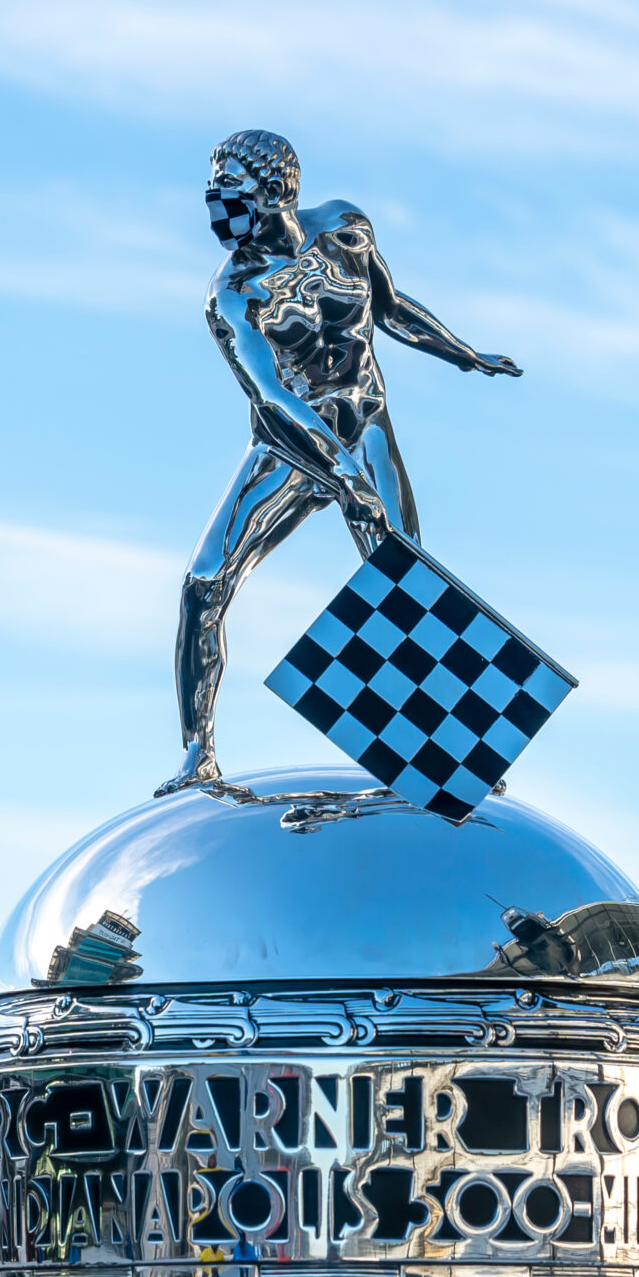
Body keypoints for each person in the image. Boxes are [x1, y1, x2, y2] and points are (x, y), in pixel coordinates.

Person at [166, 129, 520, 794]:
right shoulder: (234, 296)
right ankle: (197, 754)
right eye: (212, 191)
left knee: (408, 581)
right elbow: (272, 398)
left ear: (276, 191)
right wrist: (343, 478)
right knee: (203, 583)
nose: (216, 205)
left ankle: (452, 750)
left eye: (231, 190)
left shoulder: (345, 230)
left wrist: (465, 353)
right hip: (292, 444)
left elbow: (391, 310)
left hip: (365, 423)